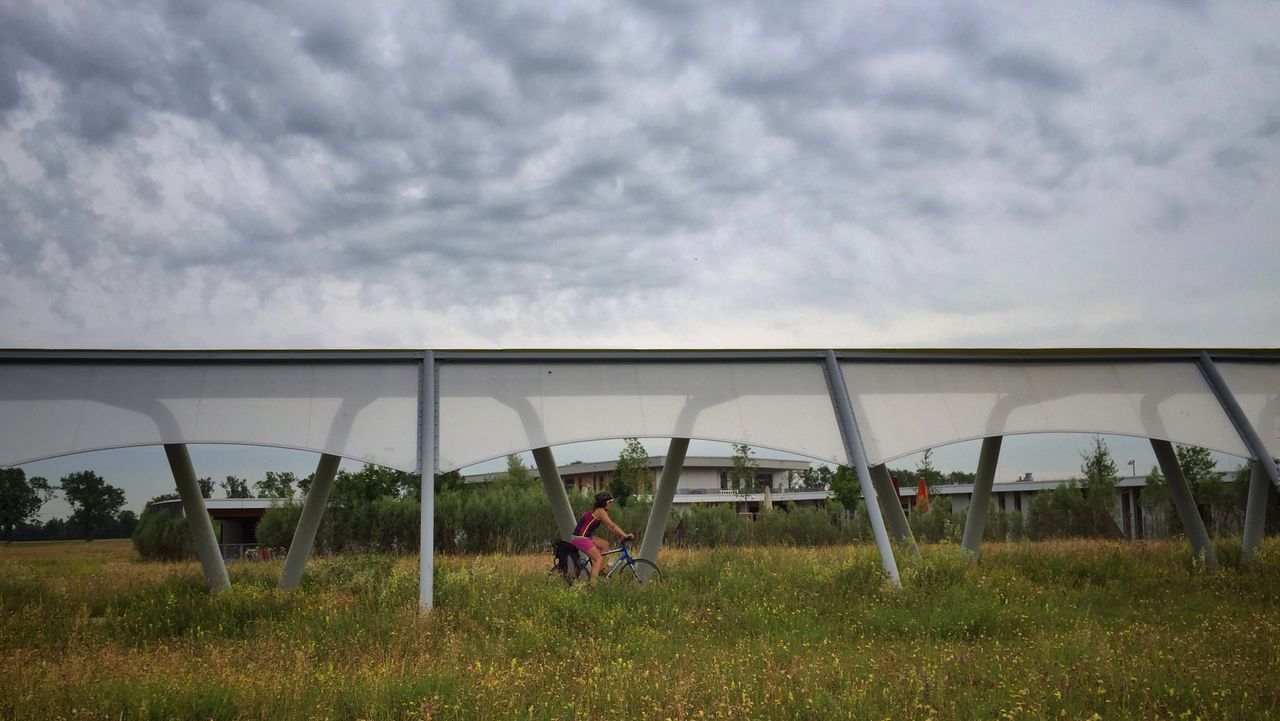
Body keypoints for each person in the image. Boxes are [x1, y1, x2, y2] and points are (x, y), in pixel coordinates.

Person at [570, 492, 634, 583]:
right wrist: (625, 535)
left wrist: (621, 535)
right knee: (598, 559)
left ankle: (599, 571)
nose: (611, 504)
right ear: (604, 503)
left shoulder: (598, 510)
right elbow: (612, 526)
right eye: (610, 502)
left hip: (585, 537)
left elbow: (609, 527)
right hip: (580, 538)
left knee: (605, 545)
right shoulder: (600, 511)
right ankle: (593, 586)